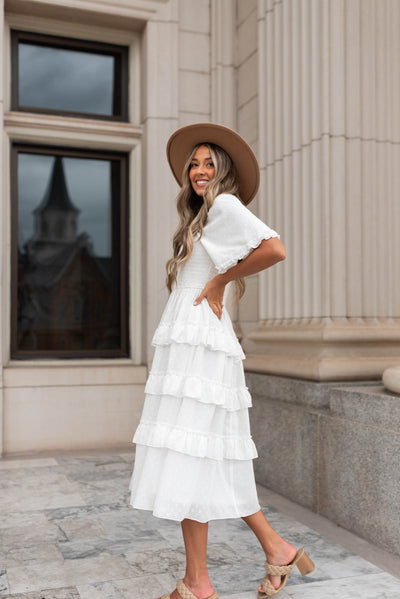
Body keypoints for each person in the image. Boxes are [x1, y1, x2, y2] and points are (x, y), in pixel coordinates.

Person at [129, 123, 315, 599]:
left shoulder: (227, 206)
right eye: (194, 163)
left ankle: (199, 583)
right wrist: (215, 281)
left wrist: (219, 283)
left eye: (209, 162)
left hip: (201, 345)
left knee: (194, 453)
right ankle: (269, 552)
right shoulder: (202, 218)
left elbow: (275, 248)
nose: (199, 171)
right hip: (192, 341)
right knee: (199, 455)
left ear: (224, 170)